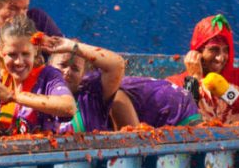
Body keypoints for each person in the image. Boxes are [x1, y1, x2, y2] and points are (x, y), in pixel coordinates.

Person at [46, 37, 199, 132]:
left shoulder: (98, 95)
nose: (67, 72)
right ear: (47, 67)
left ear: (83, 76)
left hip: (178, 111)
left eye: (75, 68)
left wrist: (72, 46)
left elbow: (137, 145)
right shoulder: (39, 94)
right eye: (62, 65)